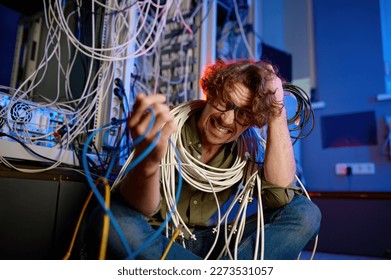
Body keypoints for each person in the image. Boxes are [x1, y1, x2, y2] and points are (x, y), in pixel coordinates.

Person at [85, 59, 321, 260]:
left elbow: (279, 195)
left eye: (243, 114)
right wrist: (149, 161)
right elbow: (143, 208)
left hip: (209, 240)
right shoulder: (167, 128)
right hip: (156, 237)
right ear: (211, 92)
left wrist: (276, 107)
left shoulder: (246, 150)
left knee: (306, 214)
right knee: (111, 222)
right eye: (225, 103)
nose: (227, 120)